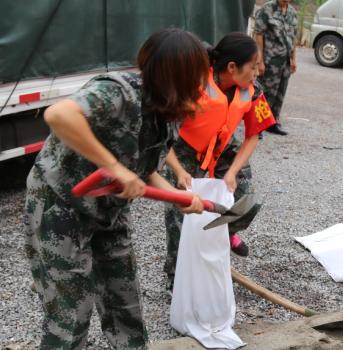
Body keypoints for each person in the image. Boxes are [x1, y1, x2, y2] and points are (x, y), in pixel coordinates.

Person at [24, 28, 210, 350]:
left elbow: (146, 169)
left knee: (124, 300)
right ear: (176, 74)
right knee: (71, 311)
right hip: (60, 208)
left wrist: (179, 198)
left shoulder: (168, 111)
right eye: (198, 75)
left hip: (108, 211)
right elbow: (58, 115)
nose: (203, 84)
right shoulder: (119, 92)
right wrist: (113, 167)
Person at [163, 32, 276, 290]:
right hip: (185, 151)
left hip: (222, 148)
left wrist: (232, 172)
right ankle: (175, 279)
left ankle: (225, 233)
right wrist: (179, 171)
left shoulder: (252, 90)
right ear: (232, 67)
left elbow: (253, 136)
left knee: (249, 200)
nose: (258, 71)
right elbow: (163, 136)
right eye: (253, 65)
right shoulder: (194, 84)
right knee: (180, 218)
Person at [255, 0, 298, 136]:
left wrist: (293, 59)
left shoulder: (292, 12)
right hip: (270, 61)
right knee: (265, 94)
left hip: (285, 62)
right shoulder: (267, 9)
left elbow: (293, 38)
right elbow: (259, 35)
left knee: (280, 93)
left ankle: (273, 122)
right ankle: (258, 126)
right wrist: (259, 61)